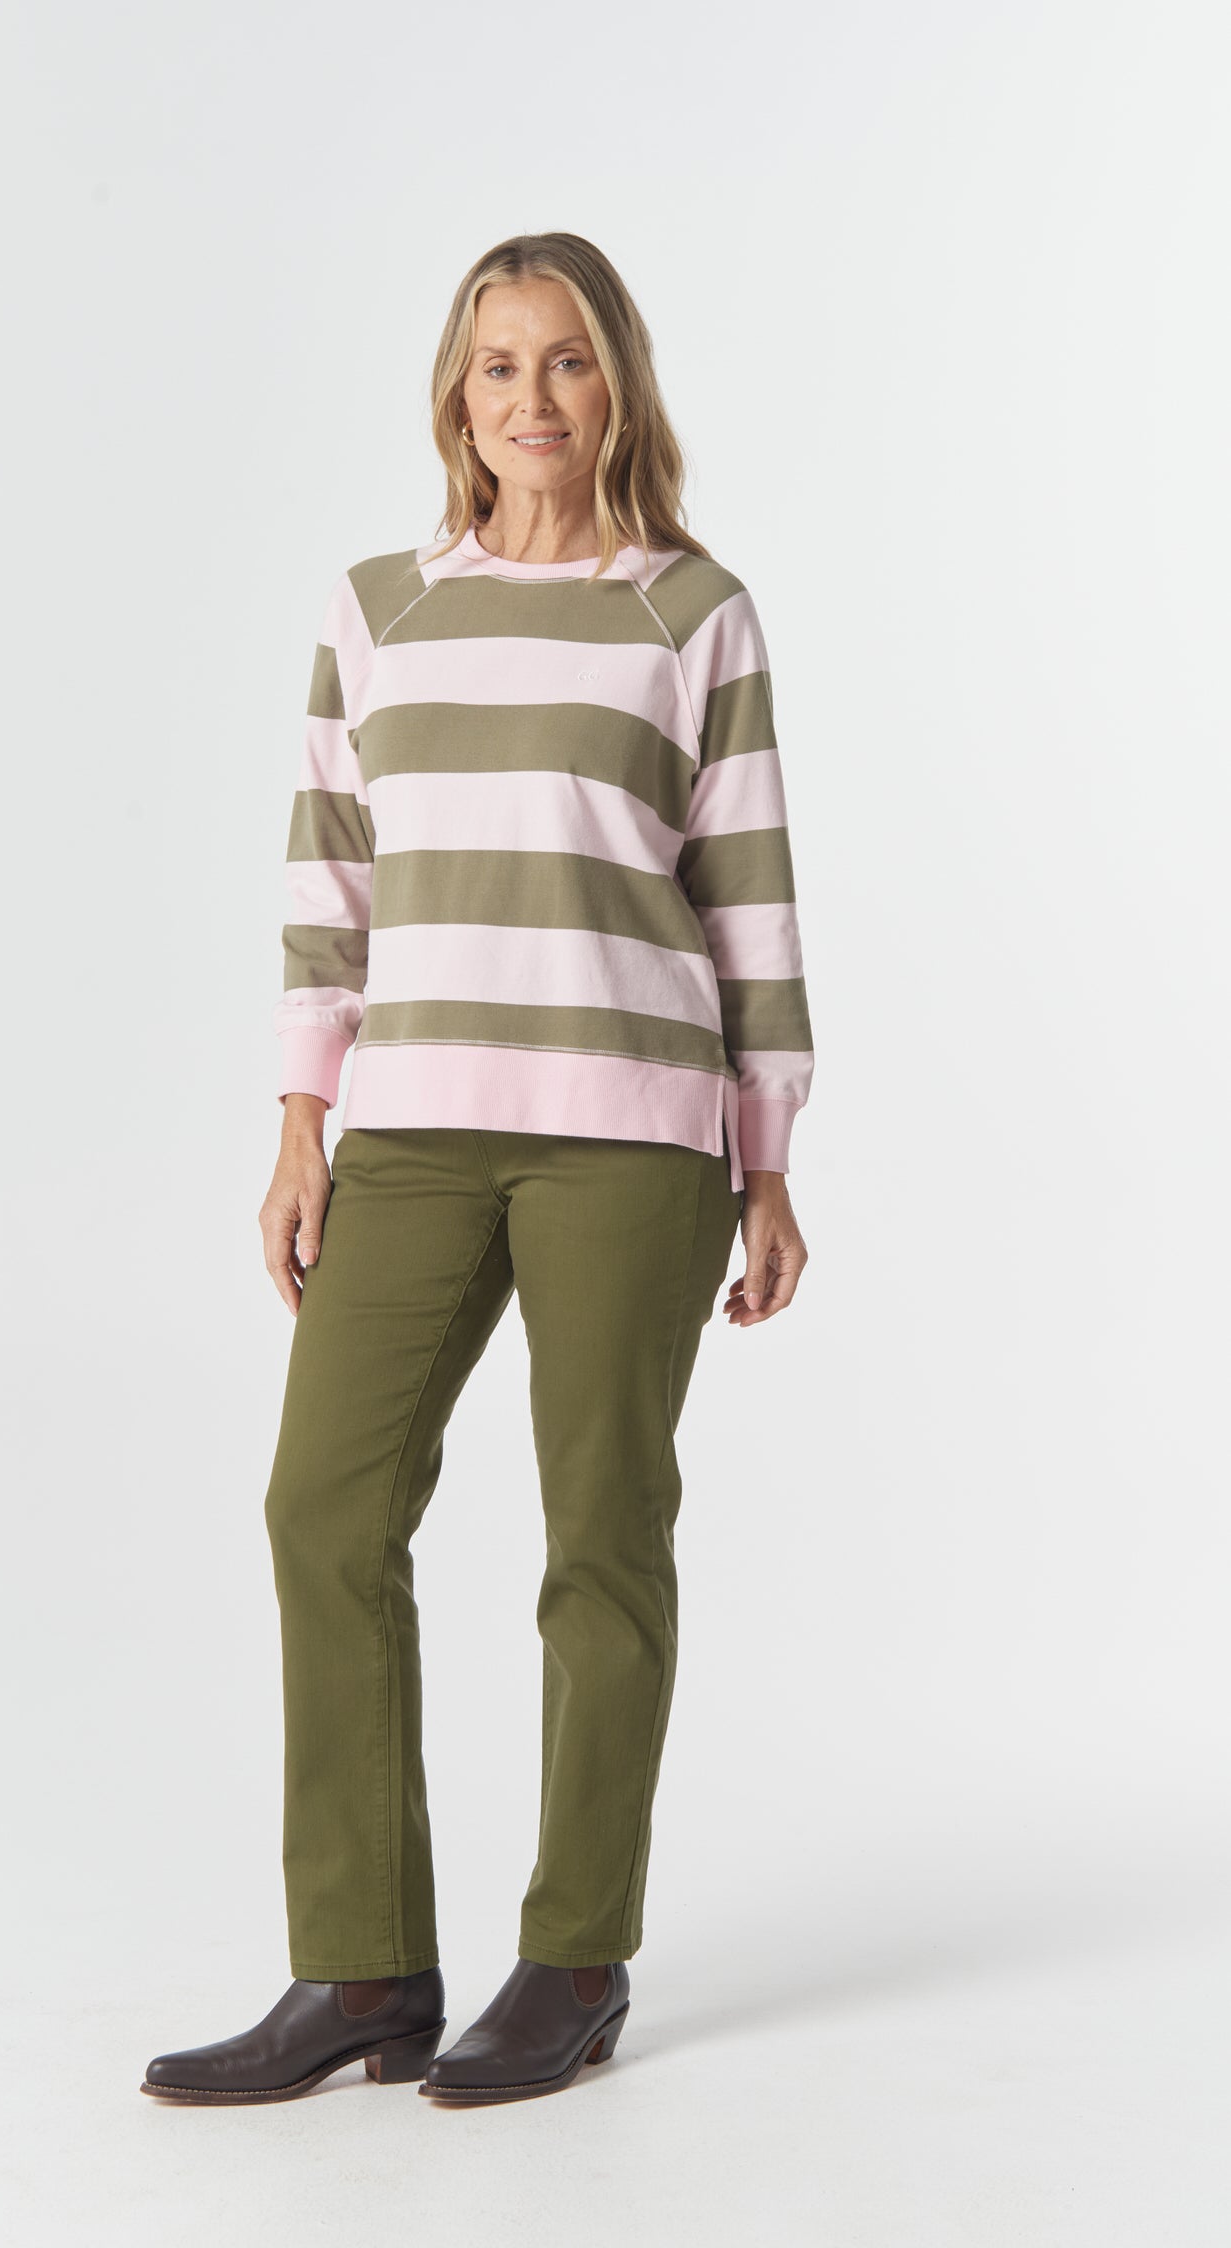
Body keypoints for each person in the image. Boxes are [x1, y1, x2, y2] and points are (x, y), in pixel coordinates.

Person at [142, 230, 814, 2109]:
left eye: (570, 361)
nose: (535, 399)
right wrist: (301, 1122)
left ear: (621, 387)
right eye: (500, 364)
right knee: (323, 1507)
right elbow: (329, 878)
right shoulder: (380, 610)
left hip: (635, 1127)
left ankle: (575, 1958)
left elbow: (749, 895)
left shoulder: (692, 613)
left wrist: (768, 1160)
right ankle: (362, 1969)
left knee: (602, 1533)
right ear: (458, 392)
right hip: (416, 1126)